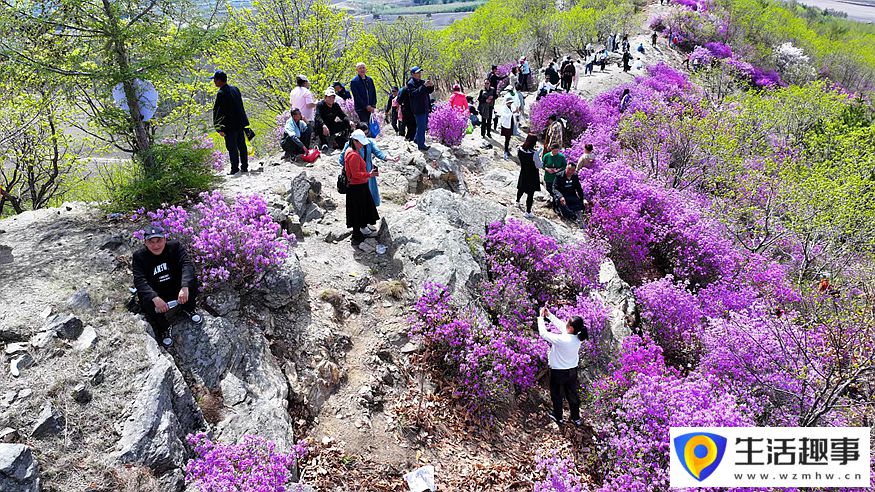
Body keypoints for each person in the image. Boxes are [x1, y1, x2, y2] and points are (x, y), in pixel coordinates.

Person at [133, 226, 200, 347]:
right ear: (145, 243)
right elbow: (139, 280)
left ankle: (188, 308)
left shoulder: (175, 247)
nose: (156, 246)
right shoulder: (139, 256)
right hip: (158, 293)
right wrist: (154, 298)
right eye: (151, 242)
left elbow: (187, 265)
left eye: (158, 241)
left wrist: (184, 287)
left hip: (176, 287)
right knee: (145, 298)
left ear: (164, 239)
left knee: (192, 281)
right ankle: (164, 328)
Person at [538, 306, 587, 426]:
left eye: (567, 322)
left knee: (556, 395)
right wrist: (549, 315)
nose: (565, 323)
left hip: (558, 372)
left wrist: (540, 317)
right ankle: (576, 418)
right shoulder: (578, 337)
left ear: (570, 328)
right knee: (572, 395)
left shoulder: (562, 339)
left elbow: (543, 334)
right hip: (572, 372)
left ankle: (558, 417)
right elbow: (561, 326)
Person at [338, 126, 397, 209]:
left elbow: (378, 152)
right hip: (359, 176)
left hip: (368, 174)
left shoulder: (369, 142)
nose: (365, 137)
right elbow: (341, 159)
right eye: (363, 135)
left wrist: (391, 158)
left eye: (366, 134)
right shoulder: (349, 146)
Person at [344, 130, 381, 243]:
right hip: (357, 186)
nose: (362, 145)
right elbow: (355, 174)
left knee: (359, 210)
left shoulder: (350, 151)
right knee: (358, 210)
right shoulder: (353, 155)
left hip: (358, 186)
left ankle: (360, 231)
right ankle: (357, 235)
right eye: (360, 142)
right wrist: (369, 174)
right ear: (354, 141)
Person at [211, 70, 250, 175]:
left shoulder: (221, 93)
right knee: (242, 146)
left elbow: (218, 112)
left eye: (215, 80)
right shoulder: (235, 89)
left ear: (219, 80)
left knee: (232, 148)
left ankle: (234, 169)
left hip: (229, 126)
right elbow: (240, 106)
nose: (214, 82)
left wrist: (219, 128)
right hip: (240, 124)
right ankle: (245, 167)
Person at [406, 66, 435, 151]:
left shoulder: (422, 82)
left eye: (419, 73)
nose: (419, 74)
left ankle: (416, 139)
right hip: (418, 108)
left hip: (425, 107)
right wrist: (424, 86)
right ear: (412, 74)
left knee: (423, 125)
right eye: (417, 73)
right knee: (421, 126)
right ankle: (421, 145)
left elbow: (429, 91)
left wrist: (431, 85)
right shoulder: (410, 83)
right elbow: (415, 94)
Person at [516, 134, 541, 219]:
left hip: (523, 171)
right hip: (532, 175)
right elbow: (538, 165)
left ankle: (517, 202)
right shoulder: (534, 153)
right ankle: (528, 211)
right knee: (530, 194)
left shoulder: (519, 149)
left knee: (521, 188)